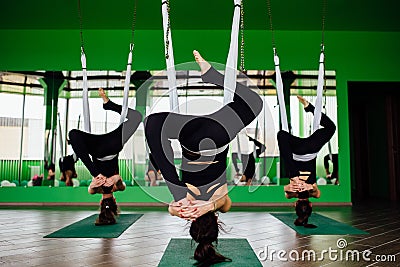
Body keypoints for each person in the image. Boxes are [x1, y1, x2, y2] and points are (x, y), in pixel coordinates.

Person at [144, 50, 262, 266]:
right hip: (206, 134)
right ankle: (213, 76)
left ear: (216, 222)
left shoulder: (203, 205)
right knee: (152, 124)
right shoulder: (203, 204)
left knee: (255, 102)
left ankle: (213, 76)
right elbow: (213, 202)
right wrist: (185, 202)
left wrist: (180, 203)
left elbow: (216, 202)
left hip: (214, 134)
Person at [68, 88, 142, 225]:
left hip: (113, 145)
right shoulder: (99, 190)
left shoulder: (116, 188)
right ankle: (108, 105)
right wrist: (99, 176)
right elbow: (92, 189)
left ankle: (109, 104)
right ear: (101, 202)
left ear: (114, 201)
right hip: (98, 149)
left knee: (137, 117)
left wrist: (100, 177)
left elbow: (118, 183)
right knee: (72, 134)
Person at [279, 95, 336, 228]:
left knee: (330, 128)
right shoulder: (294, 194)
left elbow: (316, 193)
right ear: (295, 205)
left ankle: (309, 107)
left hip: (311, 149)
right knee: (282, 135)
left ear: (310, 204)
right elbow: (288, 192)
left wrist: (296, 186)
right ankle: (309, 107)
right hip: (298, 150)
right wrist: (309, 187)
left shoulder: (297, 193)